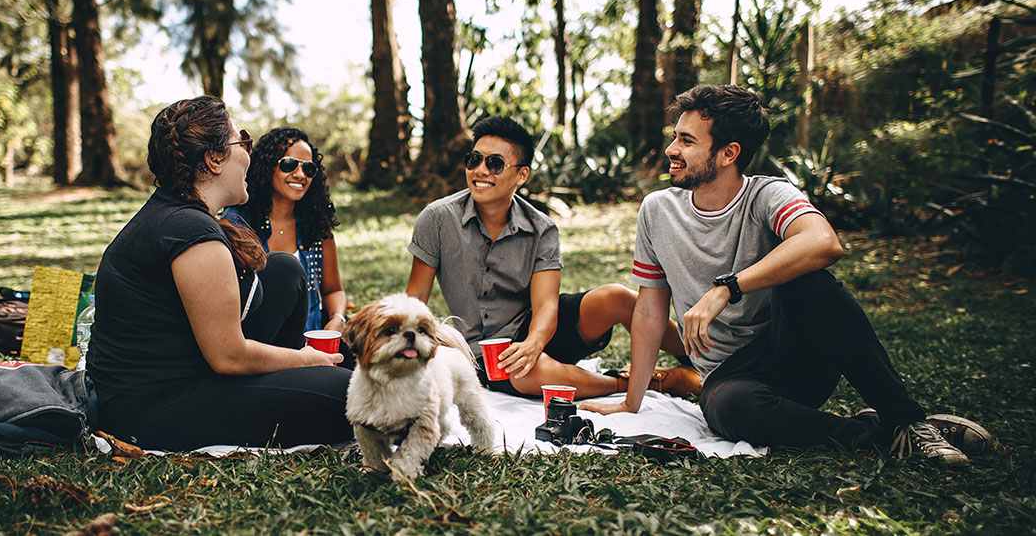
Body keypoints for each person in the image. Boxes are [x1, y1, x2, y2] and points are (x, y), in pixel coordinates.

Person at [581, 85, 991, 469]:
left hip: (794, 354)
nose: (671, 149)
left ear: (728, 153)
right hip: (730, 378)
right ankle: (883, 432)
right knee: (730, 409)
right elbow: (651, 310)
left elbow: (823, 242)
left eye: (687, 141)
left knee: (810, 281)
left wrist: (728, 287)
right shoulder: (657, 210)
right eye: (676, 136)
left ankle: (909, 420)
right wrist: (631, 402)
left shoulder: (767, 194)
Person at [88, 96, 353, 451]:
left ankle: (303, 380)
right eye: (242, 141)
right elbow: (229, 356)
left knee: (284, 270)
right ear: (214, 159)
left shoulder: (180, 214)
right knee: (351, 396)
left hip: (190, 370)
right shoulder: (189, 231)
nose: (249, 154)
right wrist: (308, 358)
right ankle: (308, 379)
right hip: (151, 408)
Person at [405, 115, 695, 399]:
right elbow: (415, 298)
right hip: (484, 352)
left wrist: (533, 343)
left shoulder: (541, 228)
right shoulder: (437, 219)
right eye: (474, 160)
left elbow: (546, 305)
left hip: (538, 330)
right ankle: (646, 382)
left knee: (616, 297)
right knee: (525, 372)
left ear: (521, 175)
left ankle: (699, 357)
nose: (481, 170)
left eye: (494, 164)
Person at [220, 128, 347, 333]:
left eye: (308, 168)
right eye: (289, 164)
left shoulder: (315, 225)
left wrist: (337, 319)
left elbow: (333, 290)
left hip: (312, 344)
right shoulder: (237, 224)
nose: (300, 175)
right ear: (267, 166)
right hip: (259, 346)